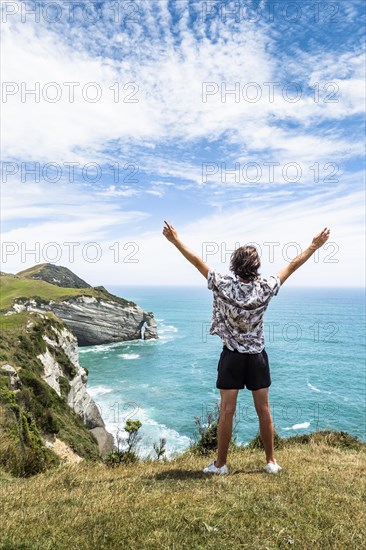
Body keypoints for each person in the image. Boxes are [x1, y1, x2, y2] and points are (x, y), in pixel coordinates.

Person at [162, 220, 331, 475]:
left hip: (231, 356)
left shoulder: (223, 284)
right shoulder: (266, 287)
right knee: (264, 409)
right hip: (256, 357)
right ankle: (271, 462)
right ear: (256, 267)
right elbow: (292, 266)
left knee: (226, 411)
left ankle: (220, 464)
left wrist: (175, 241)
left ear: (234, 265)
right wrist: (314, 245)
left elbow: (196, 261)